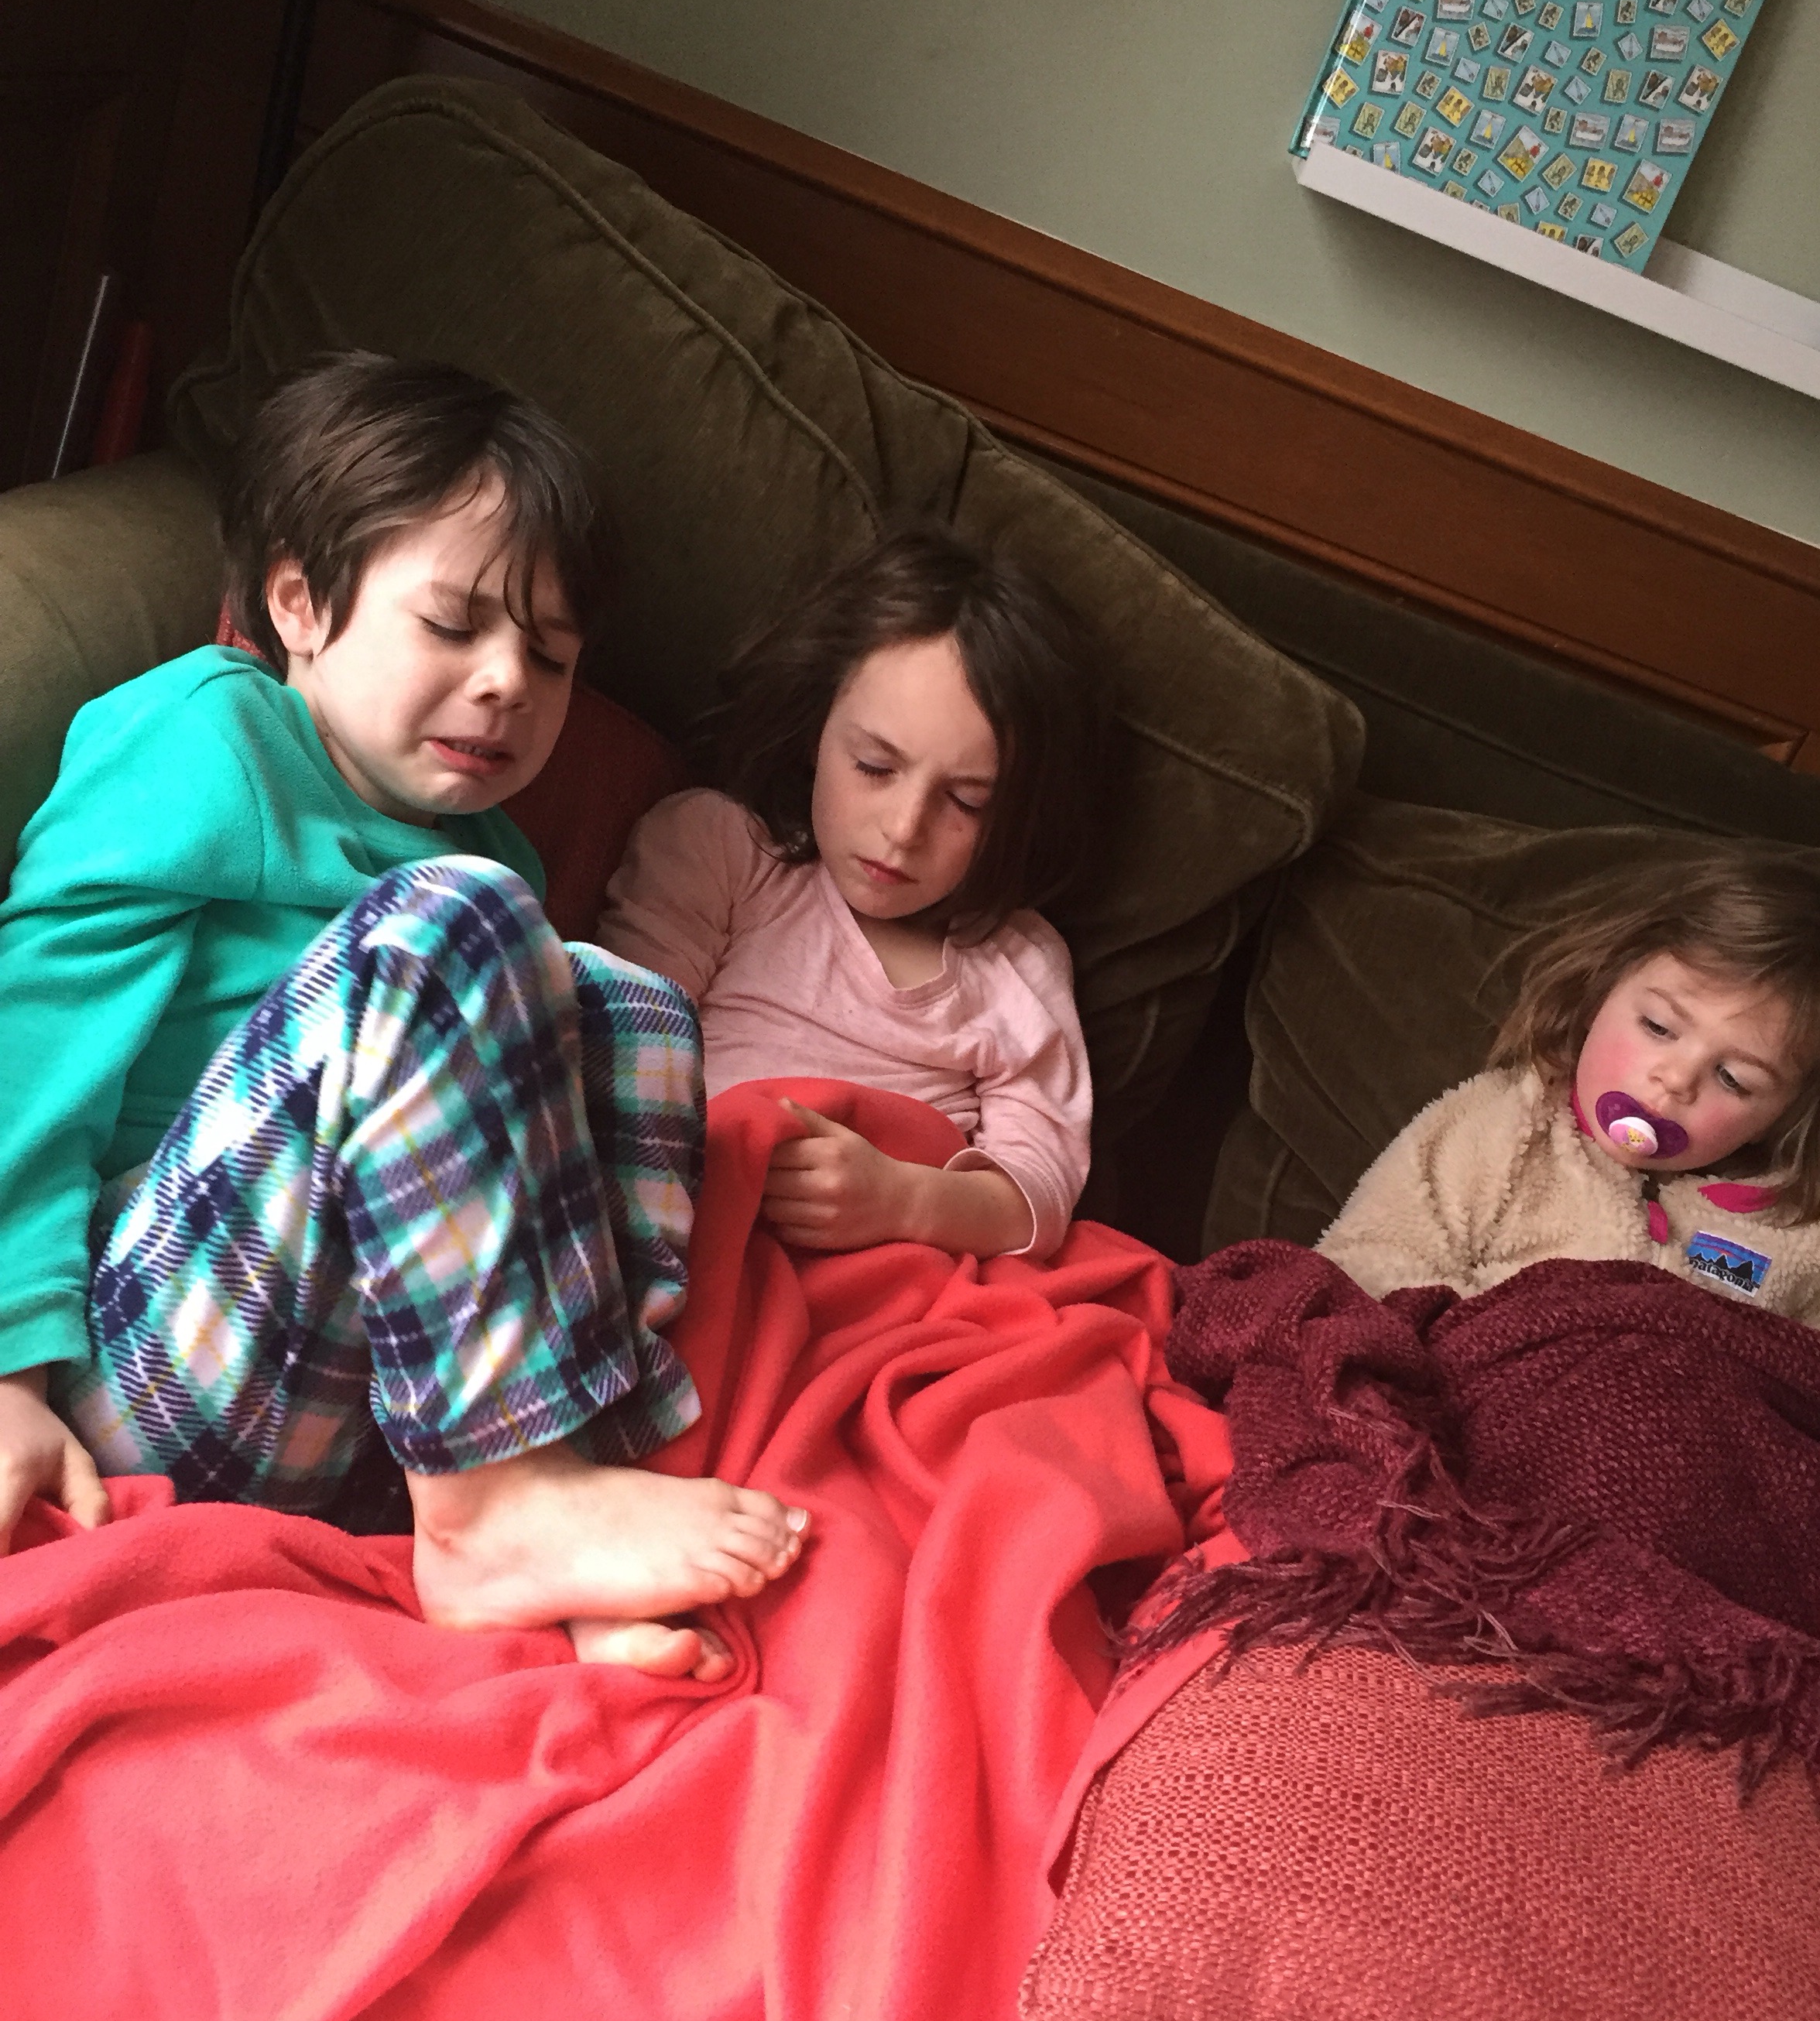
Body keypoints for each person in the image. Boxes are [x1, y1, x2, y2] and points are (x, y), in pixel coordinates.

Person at [0, 351, 804, 1681]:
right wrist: (9, 1372)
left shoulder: (489, 855)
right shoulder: (204, 740)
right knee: (457, 923)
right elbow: (29, 1042)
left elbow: (515, 1187)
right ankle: (506, 1506)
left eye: (549, 655)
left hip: (364, 1424)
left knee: (631, 1006)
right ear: (300, 603)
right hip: (139, 1354)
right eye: (454, 626)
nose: (507, 682)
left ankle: (557, 1487)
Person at [597, 526, 1104, 1261]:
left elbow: (1038, 1198)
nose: (904, 829)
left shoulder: (1017, 966)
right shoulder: (724, 855)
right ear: (816, 729)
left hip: (900, 1280)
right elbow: (617, 1052)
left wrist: (903, 1200)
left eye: (966, 801)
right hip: (700, 1229)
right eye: (874, 766)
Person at [1318, 849, 1820, 1345]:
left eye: (1733, 1079)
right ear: (1600, 993)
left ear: (1783, 1116)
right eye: (1658, 1027)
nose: (1676, 1080)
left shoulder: (1802, 1218)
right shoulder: (1496, 1132)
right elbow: (1367, 1257)